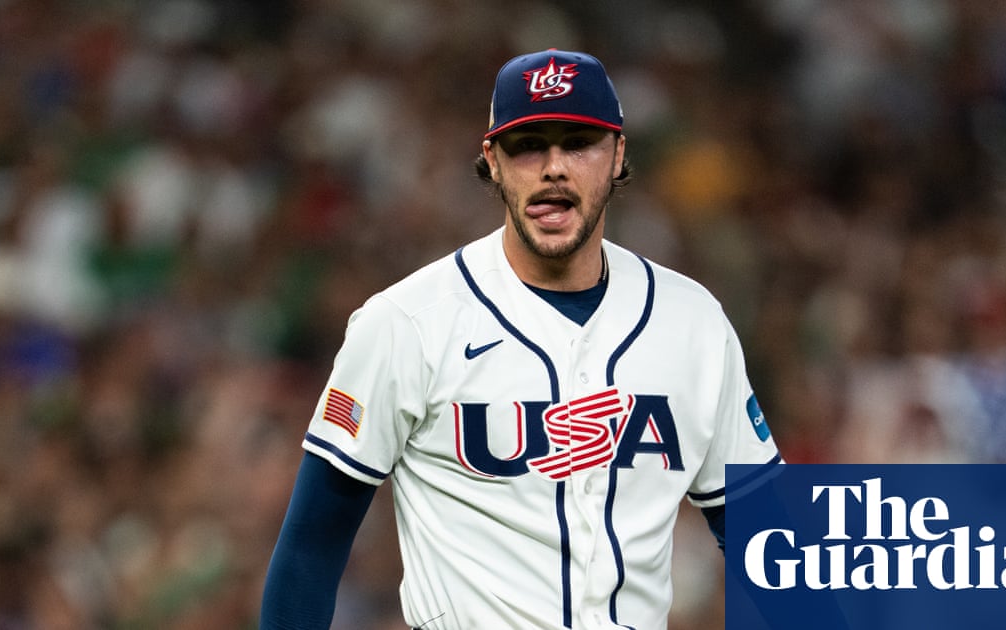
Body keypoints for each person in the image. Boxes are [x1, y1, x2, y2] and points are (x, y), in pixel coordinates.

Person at [259, 49, 782, 630]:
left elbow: (768, 539)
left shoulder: (694, 323)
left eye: (578, 142)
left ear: (618, 155)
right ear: (493, 159)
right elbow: (312, 547)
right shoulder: (407, 322)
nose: (553, 166)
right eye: (528, 143)